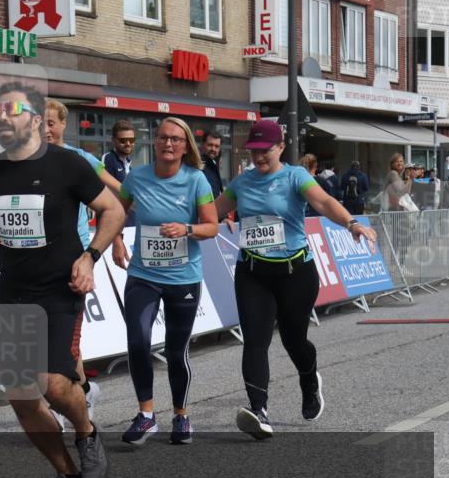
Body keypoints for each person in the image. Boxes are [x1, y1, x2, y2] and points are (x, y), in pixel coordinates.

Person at [0, 82, 125, 478]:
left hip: (60, 288)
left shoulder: (67, 164)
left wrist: (90, 257)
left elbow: (114, 209)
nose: (3, 117)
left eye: (13, 110)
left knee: (54, 384)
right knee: (20, 391)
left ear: (37, 120)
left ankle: (87, 433)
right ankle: (66, 475)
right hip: (14, 290)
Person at [214, 120, 377, 440]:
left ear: (281, 147)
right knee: (255, 340)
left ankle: (309, 378)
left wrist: (351, 223)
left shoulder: (295, 176)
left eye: (265, 150)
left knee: (294, 341)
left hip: (295, 273)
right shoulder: (242, 182)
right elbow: (211, 211)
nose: (259, 156)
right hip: (252, 273)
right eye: (254, 151)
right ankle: (259, 410)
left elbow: (323, 202)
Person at [114, 117, 218, 447]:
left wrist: (186, 229)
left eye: (175, 139)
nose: (168, 144)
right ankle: (146, 415)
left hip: (182, 278)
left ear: (186, 146)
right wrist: (116, 238)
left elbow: (212, 226)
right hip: (143, 275)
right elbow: (116, 211)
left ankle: (181, 415)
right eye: (162, 138)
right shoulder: (137, 177)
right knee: (138, 341)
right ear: (154, 142)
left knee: (175, 350)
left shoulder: (196, 180)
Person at [44, 99, 127, 425]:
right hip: (38, 259)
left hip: (75, 257)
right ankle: (84, 391)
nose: (45, 129)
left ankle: (71, 399)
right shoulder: (29, 160)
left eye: (51, 123)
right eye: (40, 123)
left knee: (66, 341)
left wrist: (116, 236)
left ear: (64, 125)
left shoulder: (81, 159)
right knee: (54, 340)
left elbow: (121, 191)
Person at [384, 153, 415, 271]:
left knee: (398, 238)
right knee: (404, 237)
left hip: (398, 210)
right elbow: (402, 191)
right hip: (395, 210)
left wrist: (409, 179)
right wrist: (410, 179)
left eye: (401, 161)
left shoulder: (398, 176)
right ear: (392, 164)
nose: (399, 163)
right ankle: (399, 264)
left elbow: (406, 192)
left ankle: (396, 264)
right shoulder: (393, 174)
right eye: (397, 161)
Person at [200, 130, 224, 198]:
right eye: (210, 145)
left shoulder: (214, 163)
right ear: (203, 144)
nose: (213, 149)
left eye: (217, 146)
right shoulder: (197, 163)